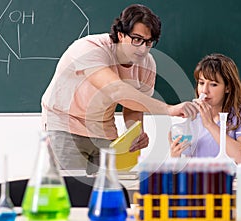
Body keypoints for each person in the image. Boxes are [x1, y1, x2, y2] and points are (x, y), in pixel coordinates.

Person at [41, 4, 198, 174]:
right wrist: (168, 109)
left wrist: (134, 132)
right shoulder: (89, 48)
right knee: (72, 190)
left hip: (104, 129)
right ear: (121, 34)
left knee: (109, 188)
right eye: (136, 39)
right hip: (65, 124)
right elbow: (117, 91)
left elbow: (132, 106)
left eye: (149, 42)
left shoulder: (148, 64)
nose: (143, 48)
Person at [169, 53, 241, 164]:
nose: (204, 91)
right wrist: (175, 157)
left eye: (213, 84)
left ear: (227, 87)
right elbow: (182, 167)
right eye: (201, 83)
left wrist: (210, 124)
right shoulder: (193, 119)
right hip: (199, 180)